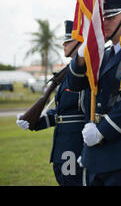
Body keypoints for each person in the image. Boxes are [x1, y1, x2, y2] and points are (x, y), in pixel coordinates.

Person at [66, 0, 121, 186]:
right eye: (102, 18)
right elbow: (75, 85)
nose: (105, 23)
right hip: (93, 153)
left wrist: (102, 132)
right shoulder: (102, 55)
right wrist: (80, 56)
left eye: (111, 17)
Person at [16, 20, 87, 186]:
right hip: (63, 141)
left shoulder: (84, 73)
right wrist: (35, 120)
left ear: (80, 42)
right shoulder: (67, 72)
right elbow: (62, 112)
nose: (64, 44)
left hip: (76, 142)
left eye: (68, 40)